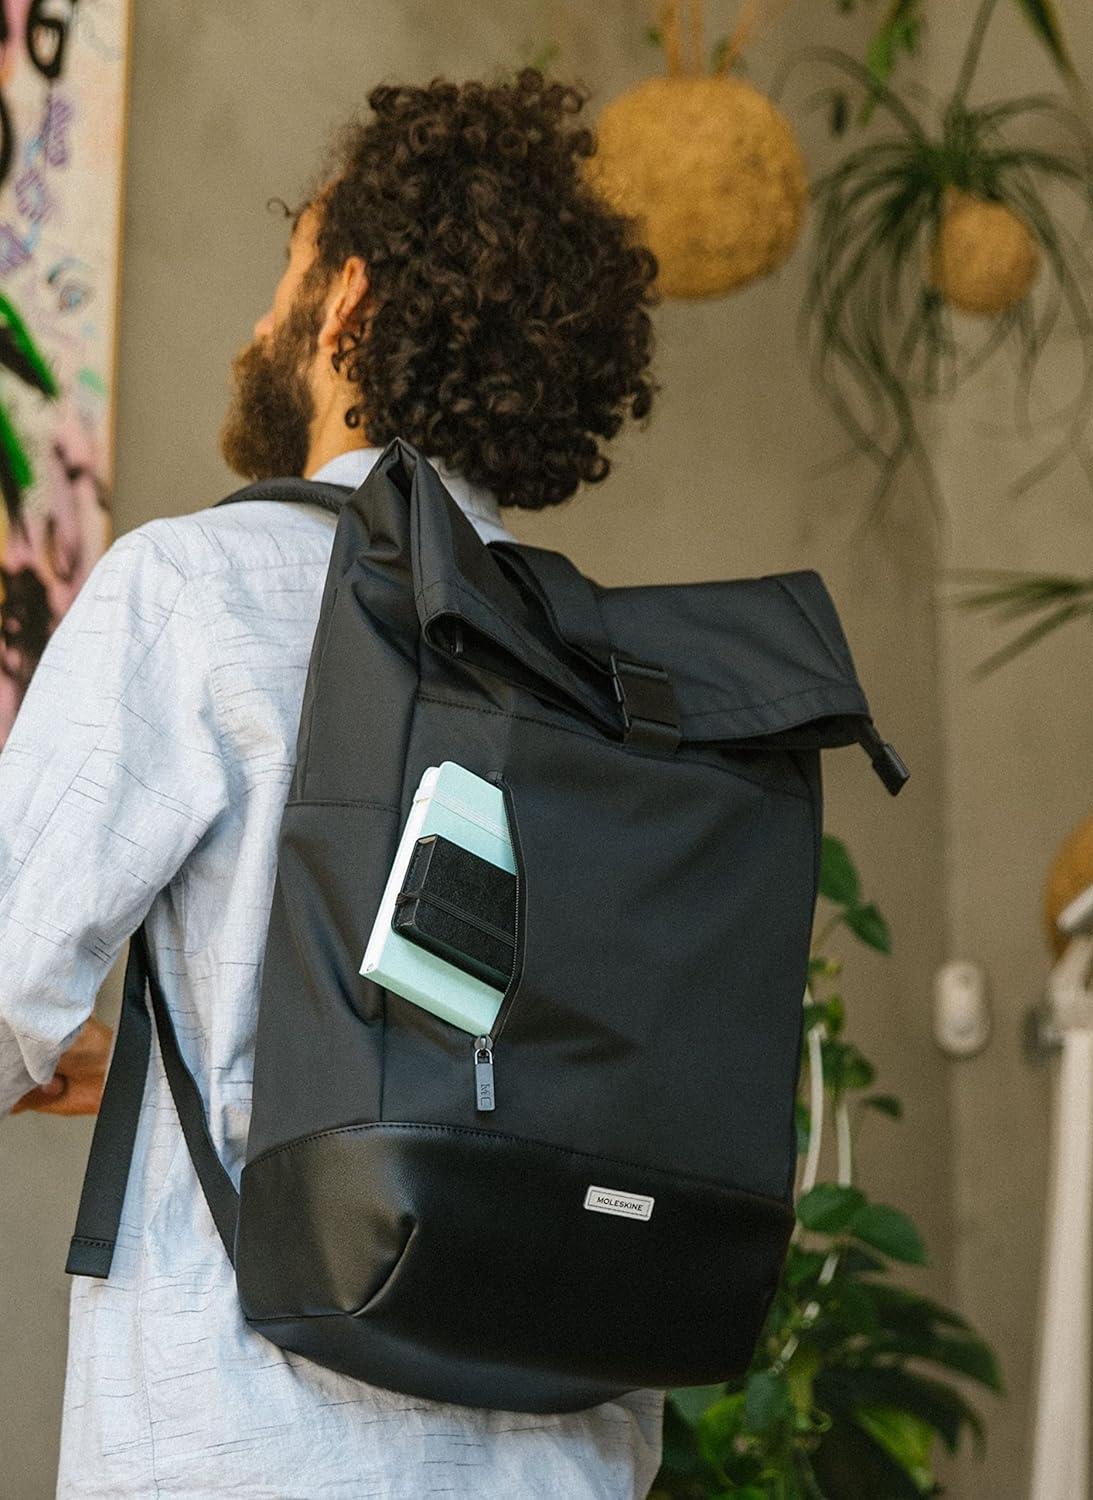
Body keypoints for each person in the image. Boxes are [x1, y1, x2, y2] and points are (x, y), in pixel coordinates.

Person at [0, 69, 662, 1497]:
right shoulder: (607, 669)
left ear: (347, 300)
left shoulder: (195, 591)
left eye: (287, 272)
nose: (260, 324)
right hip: (564, 1459)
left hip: (248, 1442)